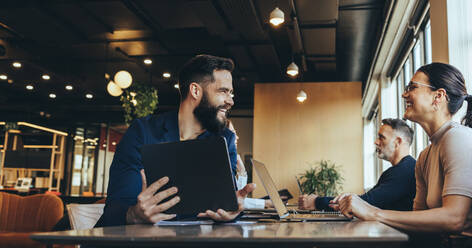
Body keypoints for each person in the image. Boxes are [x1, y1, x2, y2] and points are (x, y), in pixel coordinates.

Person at [95, 55, 255, 227]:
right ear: (195, 91)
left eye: (231, 93)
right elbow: (114, 209)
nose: (230, 101)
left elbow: (224, 204)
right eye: (223, 91)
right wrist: (134, 214)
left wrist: (232, 211)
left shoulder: (225, 139)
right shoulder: (142, 132)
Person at [333, 63, 472, 235]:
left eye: (412, 87)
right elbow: (418, 222)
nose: (404, 93)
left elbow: (454, 219)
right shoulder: (425, 156)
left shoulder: (458, 137)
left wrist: (373, 213)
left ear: (438, 96)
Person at [298, 118, 416, 211]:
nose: (376, 142)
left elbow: (364, 203)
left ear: (398, 142)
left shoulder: (403, 171)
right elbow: (364, 201)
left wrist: (316, 202)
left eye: (382, 137)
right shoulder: (401, 168)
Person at [227, 120, 274, 209]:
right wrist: (266, 203)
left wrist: (242, 171)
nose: (237, 137)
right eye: (233, 133)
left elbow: (239, 197)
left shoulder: (231, 161)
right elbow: (233, 201)